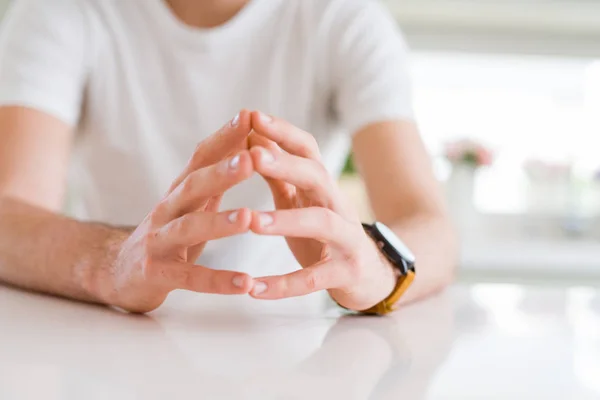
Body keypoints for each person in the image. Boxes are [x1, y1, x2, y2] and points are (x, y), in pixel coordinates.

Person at [0, 0, 457, 314]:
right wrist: (113, 262)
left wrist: (378, 270)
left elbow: (430, 225)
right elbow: (8, 215)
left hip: (296, 348)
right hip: (106, 328)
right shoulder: (61, 10)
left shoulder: (342, 17)